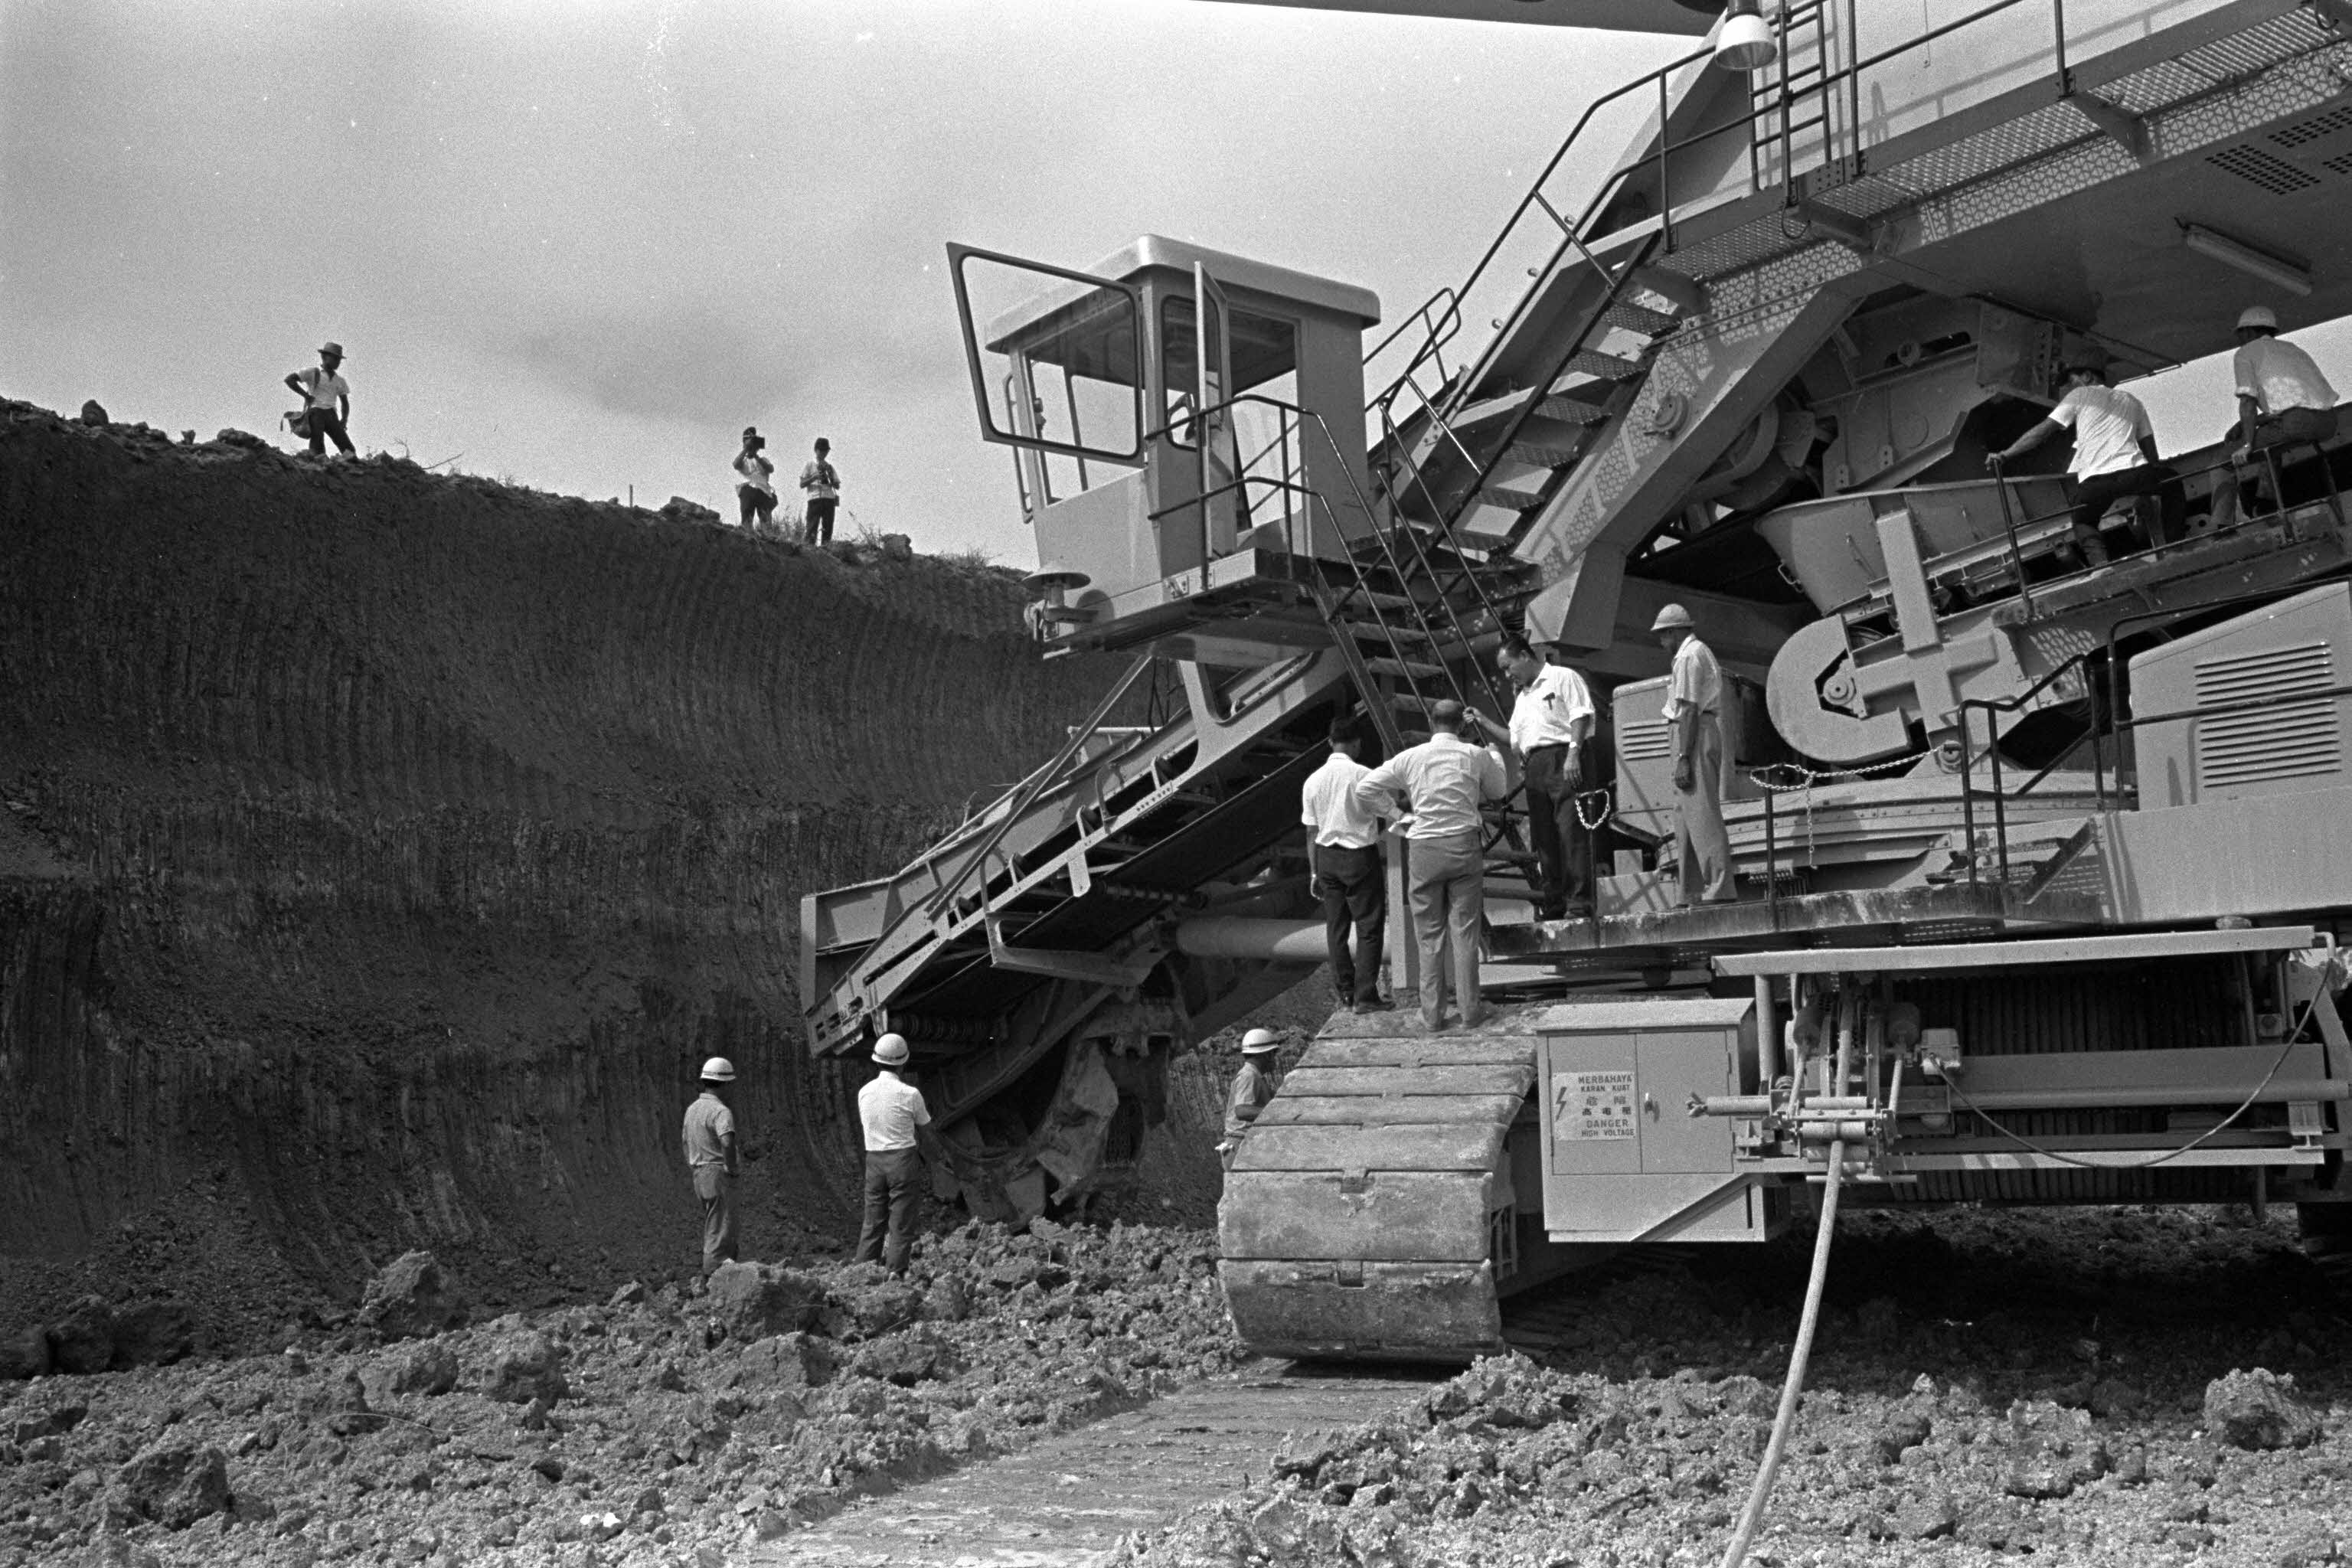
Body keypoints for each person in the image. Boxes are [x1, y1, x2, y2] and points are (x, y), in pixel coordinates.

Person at [1353, 698, 1507, 1031]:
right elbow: (1499, 789)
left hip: (1423, 848)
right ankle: (1470, 1012)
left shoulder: (1410, 758)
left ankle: (1432, 1015)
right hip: (1464, 845)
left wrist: (1395, 815)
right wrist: (1495, 755)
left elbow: (1365, 789)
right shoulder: (1474, 754)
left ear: (1430, 721)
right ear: (1462, 726)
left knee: (1429, 935)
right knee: (1465, 932)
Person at [1985, 353, 2182, 566]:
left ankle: (2101, 566)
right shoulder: (2132, 401)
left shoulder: (2080, 395)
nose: (2069, 388)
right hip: (2134, 473)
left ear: (2087, 377)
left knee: (2083, 521)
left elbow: (2042, 432)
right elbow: (2151, 454)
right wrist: (2145, 493)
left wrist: (2005, 454)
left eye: (2071, 381)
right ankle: (2174, 548)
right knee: (2171, 482)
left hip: (2095, 482)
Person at [1472, 635, 1597, 920]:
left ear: (1525, 657)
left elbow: (1580, 715)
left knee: (1571, 831)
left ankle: (1579, 902)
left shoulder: (1562, 677)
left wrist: (1574, 754)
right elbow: (1514, 739)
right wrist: (1482, 720)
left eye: (1508, 666)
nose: (1507, 675)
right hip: (1536, 763)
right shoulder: (1523, 697)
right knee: (1544, 838)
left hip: (1563, 754)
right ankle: (1553, 904)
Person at [2212, 305, 2341, 531]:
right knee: (2272, 442)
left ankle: (2222, 527)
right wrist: (2247, 426)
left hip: (2297, 423)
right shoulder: (2291, 348)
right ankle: (2266, 504)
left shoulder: (2245, 353)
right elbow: (2296, 400)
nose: (2240, 339)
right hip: (2328, 421)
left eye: (2240, 334)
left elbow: (2247, 402)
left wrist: (2247, 444)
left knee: (2222, 461)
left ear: (2249, 332)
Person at [1301, 717, 1390, 1013]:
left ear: (1329, 742)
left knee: (1336, 928)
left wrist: (1314, 871)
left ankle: (1346, 992)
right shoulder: (1365, 775)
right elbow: (1388, 812)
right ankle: (1366, 997)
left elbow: (1311, 832)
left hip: (1326, 858)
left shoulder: (1312, 781)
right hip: (1360, 857)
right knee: (1369, 927)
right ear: (1356, 743)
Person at [1652, 605, 1738, 907]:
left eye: (1663, 636)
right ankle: (1689, 892)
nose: (1661, 643)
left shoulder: (1689, 656)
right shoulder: (1696, 653)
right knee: (1685, 817)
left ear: (1675, 632)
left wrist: (1684, 757)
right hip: (1695, 731)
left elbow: (1688, 709)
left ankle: (1718, 888)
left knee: (1701, 812)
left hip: (1693, 732)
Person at [854, 1032, 930, 1275]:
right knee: (901, 1223)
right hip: (902, 1162)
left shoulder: (864, 1093)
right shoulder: (910, 1094)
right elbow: (926, 1130)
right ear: (903, 1062)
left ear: (876, 1061)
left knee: (872, 1221)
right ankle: (895, 1275)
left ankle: (862, 1274)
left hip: (874, 1162)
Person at [681, 1057, 740, 1279]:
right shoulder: (720, 1111)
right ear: (724, 1084)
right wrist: (730, 1166)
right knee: (723, 1227)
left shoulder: (692, 1110)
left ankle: (718, 1274)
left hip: (700, 1173)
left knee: (713, 1225)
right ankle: (715, 1278)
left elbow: (686, 1143)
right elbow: (727, 1141)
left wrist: (696, 1166)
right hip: (718, 1174)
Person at [1217, 1028, 1282, 1171]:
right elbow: (1242, 1110)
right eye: (1273, 1054)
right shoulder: (1249, 1076)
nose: (1274, 1059)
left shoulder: (1256, 1077)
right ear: (1266, 1055)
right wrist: (1275, 1114)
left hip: (1242, 1146)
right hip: (1241, 1146)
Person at [284, 342, 354, 458]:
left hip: (331, 414)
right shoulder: (313, 372)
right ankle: (317, 464)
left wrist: (344, 420)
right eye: (335, 358)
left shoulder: (340, 380)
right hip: (316, 412)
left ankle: (349, 467)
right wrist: (305, 396)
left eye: (339, 359)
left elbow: (345, 403)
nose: (338, 362)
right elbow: (289, 380)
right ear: (324, 357)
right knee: (317, 445)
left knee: (348, 448)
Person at [733, 427, 778, 533]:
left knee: (766, 521)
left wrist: (756, 456)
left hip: (763, 491)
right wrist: (746, 449)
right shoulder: (743, 461)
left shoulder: (763, 460)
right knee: (747, 520)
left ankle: (768, 540)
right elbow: (735, 464)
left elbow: (771, 469)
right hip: (748, 489)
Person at [800, 438, 841, 546]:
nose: (824, 453)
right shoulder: (810, 465)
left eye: (826, 451)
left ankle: (826, 549)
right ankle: (809, 549)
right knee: (812, 527)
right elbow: (802, 484)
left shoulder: (829, 467)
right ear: (816, 450)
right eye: (821, 450)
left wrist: (830, 478)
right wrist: (814, 477)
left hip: (829, 498)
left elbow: (837, 486)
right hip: (815, 498)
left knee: (828, 527)